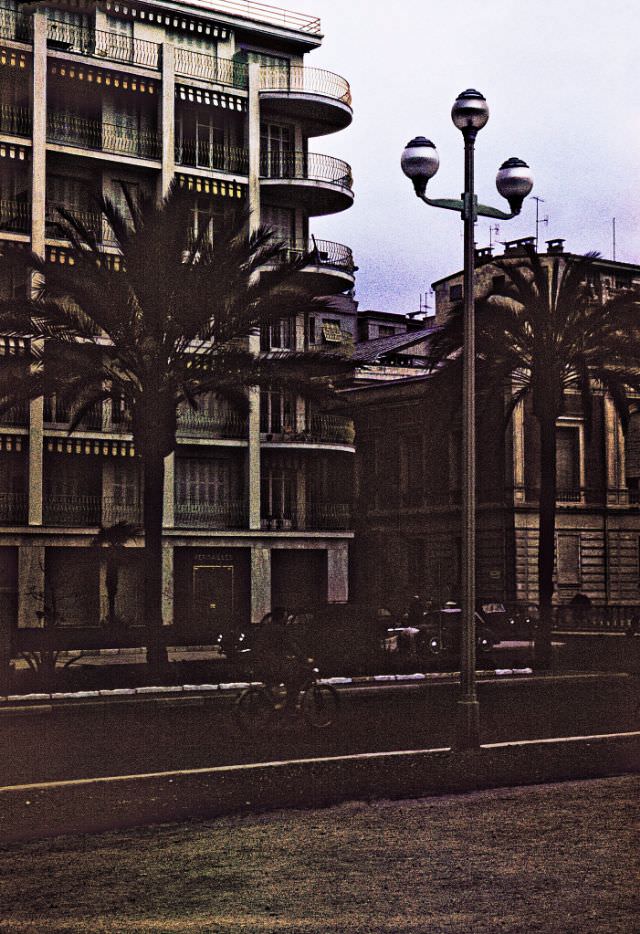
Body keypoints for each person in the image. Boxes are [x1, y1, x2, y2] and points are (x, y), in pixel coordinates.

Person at [251, 606, 312, 713]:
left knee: (279, 679)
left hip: (260, 663)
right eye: (285, 617)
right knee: (294, 679)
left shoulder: (266, 628)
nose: (287, 619)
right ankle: (290, 707)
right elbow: (292, 646)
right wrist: (303, 658)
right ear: (282, 618)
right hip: (272, 664)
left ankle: (276, 703)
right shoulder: (280, 630)